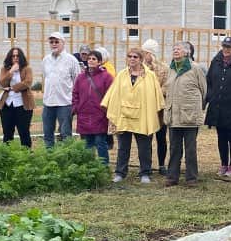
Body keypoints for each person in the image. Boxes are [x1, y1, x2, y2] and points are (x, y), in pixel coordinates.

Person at [101, 47, 165, 183]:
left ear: (141, 59)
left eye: (135, 56)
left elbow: (156, 96)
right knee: (123, 147)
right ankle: (120, 172)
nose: (132, 59)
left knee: (144, 147)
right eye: (129, 56)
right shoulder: (121, 75)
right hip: (124, 115)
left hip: (142, 116)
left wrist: (158, 113)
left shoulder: (150, 76)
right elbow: (113, 94)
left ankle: (145, 173)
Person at [163, 40, 207, 187]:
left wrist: (195, 107)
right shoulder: (171, 69)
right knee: (174, 148)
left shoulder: (195, 69)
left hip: (190, 115)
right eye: (174, 48)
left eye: (179, 49)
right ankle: (172, 176)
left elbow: (203, 90)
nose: (175, 51)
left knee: (190, 148)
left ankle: (191, 178)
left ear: (187, 52)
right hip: (173, 115)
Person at [205, 36, 231, 176]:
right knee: (221, 137)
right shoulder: (215, 62)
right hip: (218, 107)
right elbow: (209, 81)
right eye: (224, 47)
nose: (226, 50)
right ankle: (223, 163)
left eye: (229, 47)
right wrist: (211, 96)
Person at [72, 49, 114, 163]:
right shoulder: (80, 77)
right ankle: (89, 167)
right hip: (84, 114)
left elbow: (111, 95)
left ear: (100, 62)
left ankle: (103, 168)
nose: (90, 60)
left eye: (94, 59)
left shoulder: (107, 77)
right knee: (87, 143)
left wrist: (106, 110)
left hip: (100, 115)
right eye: (89, 58)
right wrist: (76, 107)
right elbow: (75, 93)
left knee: (100, 142)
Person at [41, 32, 80, 147]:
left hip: (65, 103)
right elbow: (46, 77)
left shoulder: (71, 60)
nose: (54, 44)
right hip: (48, 103)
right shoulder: (46, 60)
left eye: (56, 42)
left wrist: (74, 102)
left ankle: (66, 159)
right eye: (51, 42)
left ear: (63, 43)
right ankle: (50, 159)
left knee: (65, 134)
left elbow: (77, 81)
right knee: (47, 134)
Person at [142, 38, 170, 175]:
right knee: (145, 139)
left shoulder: (164, 68)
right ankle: (146, 165)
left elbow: (167, 86)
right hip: (144, 109)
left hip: (159, 109)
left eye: (146, 52)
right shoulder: (139, 68)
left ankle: (161, 165)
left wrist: (155, 93)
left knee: (161, 138)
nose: (144, 55)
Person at [0, 47, 34, 147]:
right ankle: (8, 156)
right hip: (7, 105)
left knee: (24, 132)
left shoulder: (27, 69)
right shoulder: (5, 69)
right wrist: (11, 71)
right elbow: (2, 83)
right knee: (7, 133)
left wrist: (12, 88)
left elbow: (27, 83)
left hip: (23, 105)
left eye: (17, 56)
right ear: (10, 57)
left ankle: (26, 156)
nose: (15, 58)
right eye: (13, 56)